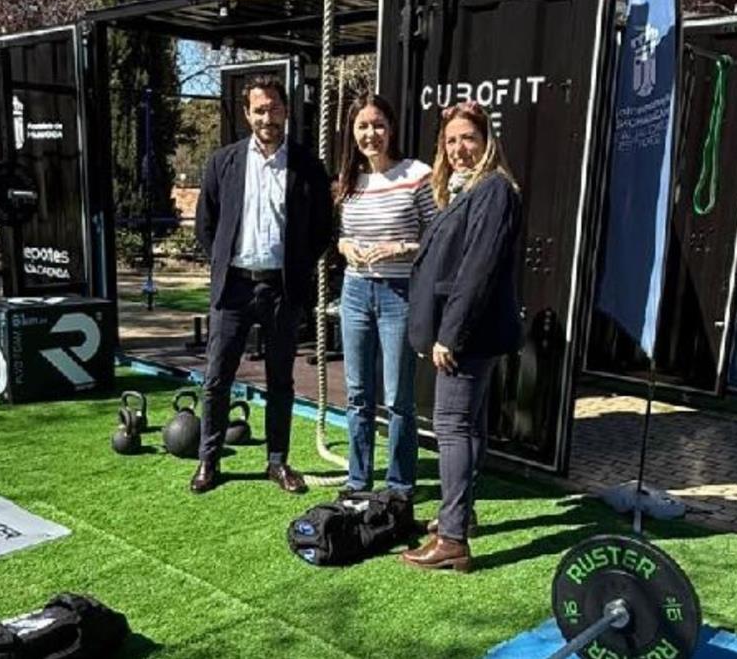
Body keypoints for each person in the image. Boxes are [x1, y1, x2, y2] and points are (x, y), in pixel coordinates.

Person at [191, 74, 333, 494]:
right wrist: (222, 264)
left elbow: (323, 228)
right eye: (259, 109)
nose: (266, 116)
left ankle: (278, 461)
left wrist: (299, 268)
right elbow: (206, 225)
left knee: (281, 381)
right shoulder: (223, 162)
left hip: (281, 291)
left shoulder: (308, 166)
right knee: (217, 378)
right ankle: (208, 461)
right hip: (232, 288)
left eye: (273, 108)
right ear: (247, 114)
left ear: (285, 110)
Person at [400, 101, 523, 572]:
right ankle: (460, 516)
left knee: (451, 428)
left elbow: (478, 269)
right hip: (470, 332)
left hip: (467, 335)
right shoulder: (468, 191)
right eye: (450, 141)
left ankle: (452, 540)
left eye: (467, 138)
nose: (458, 149)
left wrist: (449, 335)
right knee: (467, 427)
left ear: (486, 139)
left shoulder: (493, 190)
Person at [334, 94, 435, 498]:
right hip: (355, 290)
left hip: (399, 293)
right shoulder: (349, 180)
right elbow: (340, 235)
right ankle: (358, 480)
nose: (370, 133)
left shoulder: (416, 174)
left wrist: (401, 248)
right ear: (352, 132)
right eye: (362, 126)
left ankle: (399, 484)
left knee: (397, 398)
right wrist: (345, 248)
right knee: (358, 394)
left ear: (391, 128)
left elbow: (437, 234)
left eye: (377, 124)